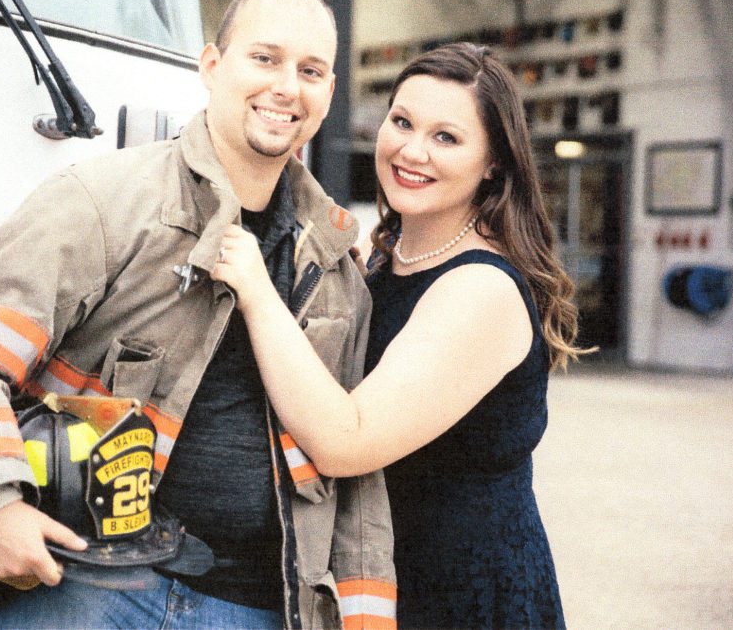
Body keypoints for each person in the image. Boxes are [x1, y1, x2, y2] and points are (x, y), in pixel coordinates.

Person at [0, 0, 396, 630]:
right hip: (82, 589)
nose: (287, 87)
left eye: (311, 71)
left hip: (259, 609)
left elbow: (353, 499)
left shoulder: (338, 269)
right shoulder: (103, 204)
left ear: (329, 93)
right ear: (212, 66)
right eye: (265, 58)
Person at [213, 42, 591, 629]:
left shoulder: (481, 290)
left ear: (493, 163)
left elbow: (346, 441)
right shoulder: (387, 257)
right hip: (390, 575)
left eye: (447, 137)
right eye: (402, 122)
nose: (412, 151)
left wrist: (257, 293)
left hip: (462, 597)